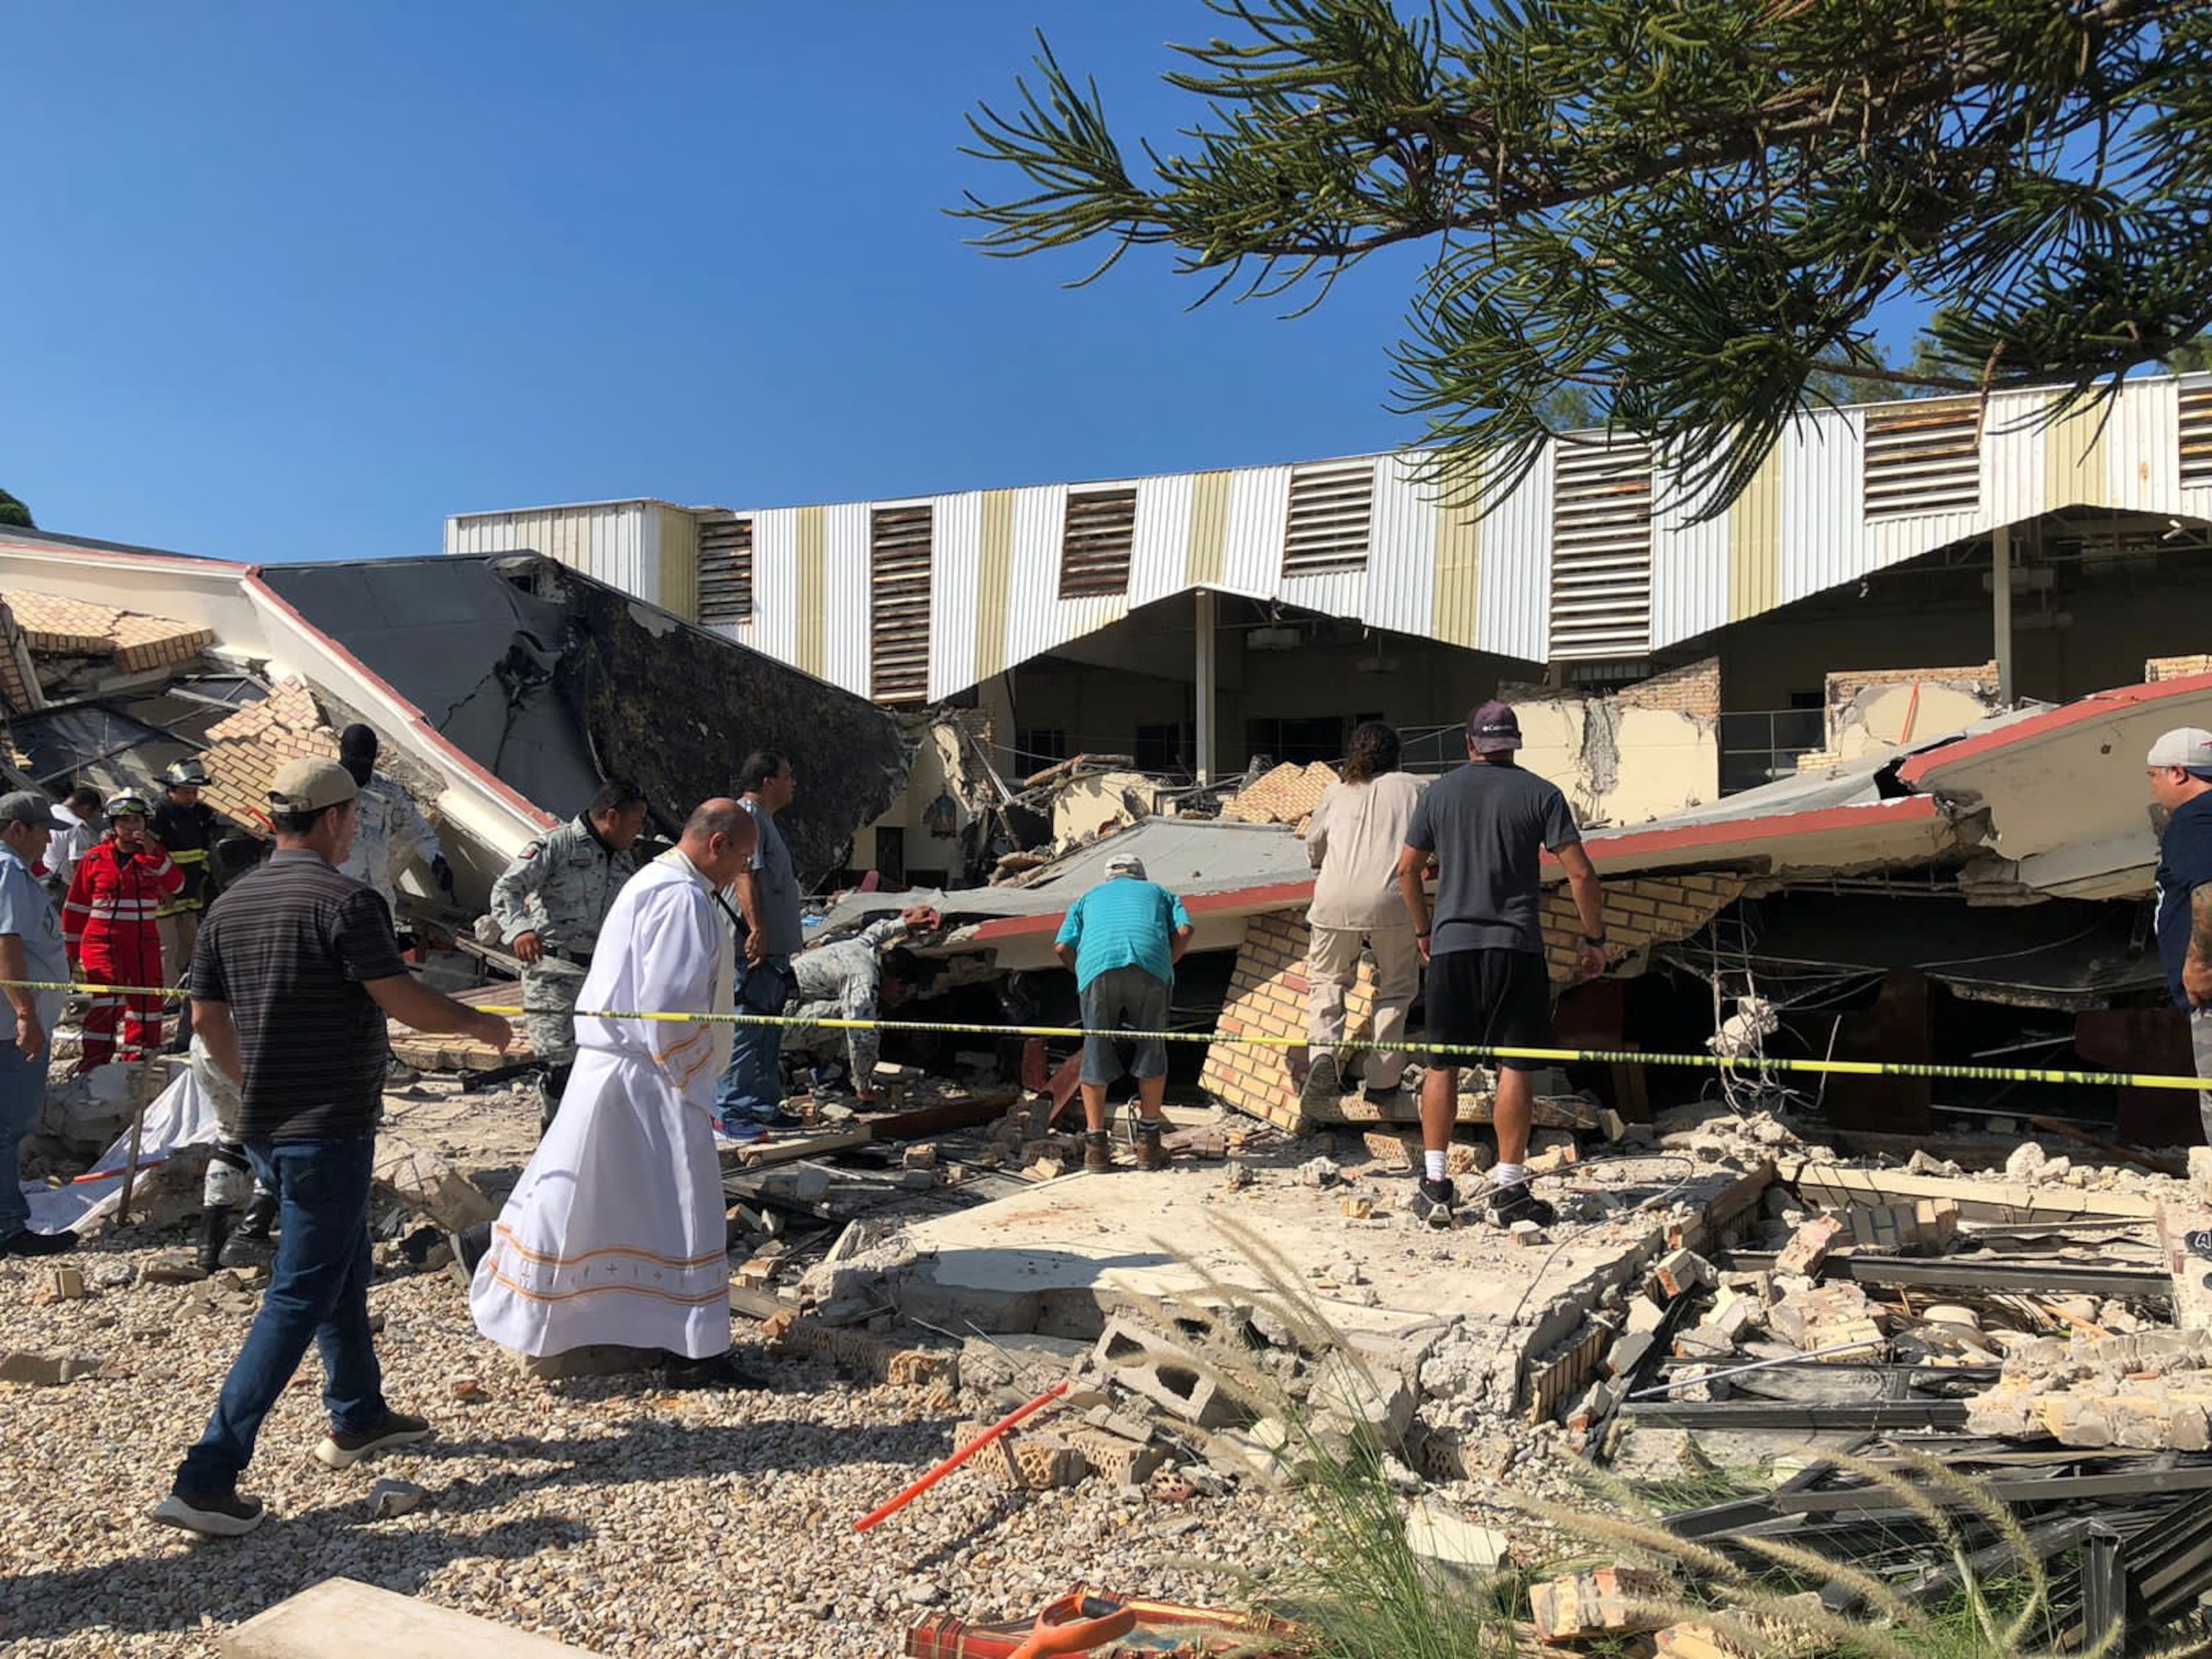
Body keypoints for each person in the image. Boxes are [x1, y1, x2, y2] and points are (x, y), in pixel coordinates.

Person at [152, 758, 512, 1537]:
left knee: (341, 1262)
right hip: (327, 1127)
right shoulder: (346, 901)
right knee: (299, 1292)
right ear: (334, 819)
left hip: (267, 1129)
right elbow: (401, 1000)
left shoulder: (230, 904)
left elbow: (208, 1022)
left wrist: (258, 1084)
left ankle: (359, 1415)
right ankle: (207, 1475)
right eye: (352, 816)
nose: (356, 828)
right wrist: (480, 1024)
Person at [466, 799, 758, 1384]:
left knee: (594, 1195)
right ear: (718, 844)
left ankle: (612, 1321)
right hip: (651, 1076)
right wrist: (698, 1072)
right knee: (679, 1207)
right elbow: (669, 1004)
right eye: (742, 858)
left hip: (619, 1068)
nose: (740, 874)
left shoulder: (652, 879)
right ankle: (695, 1349)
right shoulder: (680, 897)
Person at [1396, 701, 1607, 1231]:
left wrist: (1425, 929)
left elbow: (1406, 870)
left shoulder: (1438, 794)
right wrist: (1593, 938)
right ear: (1513, 744)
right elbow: (1580, 874)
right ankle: (1510, 1190)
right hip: (1517, 947)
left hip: (1452, 946)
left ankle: (1437, 1186)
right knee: (1516, 1064)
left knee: (1442, 1063)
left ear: (1470, 743)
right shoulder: (1542, 794)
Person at [486, 779, 651, 1129]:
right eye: (637, 822)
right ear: (612, 817)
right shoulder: (557, 845)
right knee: (559, 1068)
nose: (640, 832)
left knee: (598, 1067)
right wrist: (520, 929)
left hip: (601, 978)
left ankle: (588, 1146)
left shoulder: (624, 860)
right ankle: (554, 1147)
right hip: (554, 974)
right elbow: (507, 888)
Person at [1302, 721, 1428, 1115]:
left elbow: (1313, 846)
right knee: (1396, 988)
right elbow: (1432, 843)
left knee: (1328, 980)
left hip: (1334, 897)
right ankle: (1383, 1080)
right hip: (1393, 900)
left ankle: (1323, 1052)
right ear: (1396, 754)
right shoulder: (1417, 789)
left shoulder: (1336, 791)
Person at [1053, 852, 1193, 1173]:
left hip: (1095, 971)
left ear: (1109, 878)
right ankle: (1148, 1147)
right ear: (1140, 876)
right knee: (1152, 1051)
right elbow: (1185, 930)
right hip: (1151, 968)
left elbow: (1061, 947)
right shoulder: (1161, 893)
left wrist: (1083, 974)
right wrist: (1166, 963)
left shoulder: (1086, 899)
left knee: (1095, 1053)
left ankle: (1096, 1150)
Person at [714, 751, 806, 1141]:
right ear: (768, 781)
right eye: (788, 775)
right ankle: (729, 1109)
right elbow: (744, 875)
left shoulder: (764, 820)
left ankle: (762, 1105)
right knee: (747, 1029)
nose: (793, 783)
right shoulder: (748, 816)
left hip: (774, 951)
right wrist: (756, 927)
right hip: (754, 949)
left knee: (768, 1031)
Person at [0, 791, 76, 1257]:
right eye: (43, 830)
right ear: (16, 829)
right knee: (9, 1124)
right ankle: (8, 1226)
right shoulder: (7, 869)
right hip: (10, 1027)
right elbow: (5, 941)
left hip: (13, 1023)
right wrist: (27, 1014)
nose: (49, 839)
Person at [63, 788, 184, 1069]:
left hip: (144, 944)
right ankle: (94, 1064)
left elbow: (177, 885)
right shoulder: (94, 859)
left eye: (137, 821)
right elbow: (76, 907)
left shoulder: (155, 857)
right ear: (113, 824)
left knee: (147, 1004)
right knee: (105, 1001)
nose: (132, 827)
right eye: (125, 821)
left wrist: (154, 854)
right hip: (101, 943)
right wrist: (69, 951)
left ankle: (138, 1064)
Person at [783, 906, 941, 1102]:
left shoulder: (862, 946)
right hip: (780, 1025)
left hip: (783, 1008)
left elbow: (877, 930)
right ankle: (830, 1080)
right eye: (901, 991)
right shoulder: (862, 977)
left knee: (850, 1012)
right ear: (897, 981)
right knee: (862, 1018)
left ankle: (812, 1066)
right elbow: (863, 1038)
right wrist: (863, 1085)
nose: (899, 998)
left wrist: (907, 923)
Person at [2149, 727, 2212, 1143]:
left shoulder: (2194, 821)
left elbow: (2209, 891)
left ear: (2177, 773)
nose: (2153, 787)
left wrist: (2200, 964)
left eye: (2152, 775)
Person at [334, 724, 451, 920]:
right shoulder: (326, 790)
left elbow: (416, 830)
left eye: (367, 760)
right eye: (355, 759)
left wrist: (436, 860)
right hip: (338, 898)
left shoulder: (386, 789)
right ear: (342, 753)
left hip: (379, 898)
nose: (361, 766)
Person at [152, 757, 223, 1049]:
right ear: (172, 789)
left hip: (192, 889)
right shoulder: (159, 814)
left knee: (189, 946)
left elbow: (204, 853)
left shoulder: (200, 815)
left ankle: (186, 995)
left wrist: (202, 885)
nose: (192, 797)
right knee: (166, 947)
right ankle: (169, 1001)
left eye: (195, 792)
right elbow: (153, 855)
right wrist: (162, 887)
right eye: (187, 792)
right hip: (166, 891)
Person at [44, 783, 102, 904]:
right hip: (59, 885)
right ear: (86, 808)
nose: (89, 818)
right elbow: (77, 863)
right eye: (91, 814)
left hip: (38, 874)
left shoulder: (48, 813)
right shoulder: (77, 826)